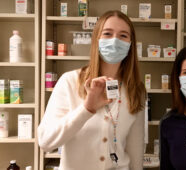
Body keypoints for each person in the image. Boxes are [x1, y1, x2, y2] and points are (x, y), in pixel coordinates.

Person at [38, 10, 146, 170]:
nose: (115, 40)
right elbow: (45, 142)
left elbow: (135, 148)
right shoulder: (70, 81)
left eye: (123, 35)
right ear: (97, 39)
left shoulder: (136, 89)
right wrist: (86, 109)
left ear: (131, 44)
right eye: (108, 33)